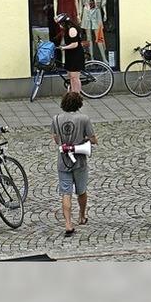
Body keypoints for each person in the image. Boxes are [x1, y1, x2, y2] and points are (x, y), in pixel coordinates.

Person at [51, 91, 98, 237]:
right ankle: (82, 216)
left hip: (63, 161)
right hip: (80, 162)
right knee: (81, 190)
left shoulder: (56, 118)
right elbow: (93, 139)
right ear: (79, 104)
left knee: (66, 193)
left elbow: (56, 138)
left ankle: (68, 224)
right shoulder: (84, 119)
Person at [54, 13, 85, 93]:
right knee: (71, 76)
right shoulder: (66, 29)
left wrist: (63, 48)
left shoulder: (72, 29)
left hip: (76, 55)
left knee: (75, 77)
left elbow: (75, 44)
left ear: (64, 22)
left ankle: (77, 94)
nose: (60, 26)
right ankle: (73, 92)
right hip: (70, 55)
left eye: (60, 24)